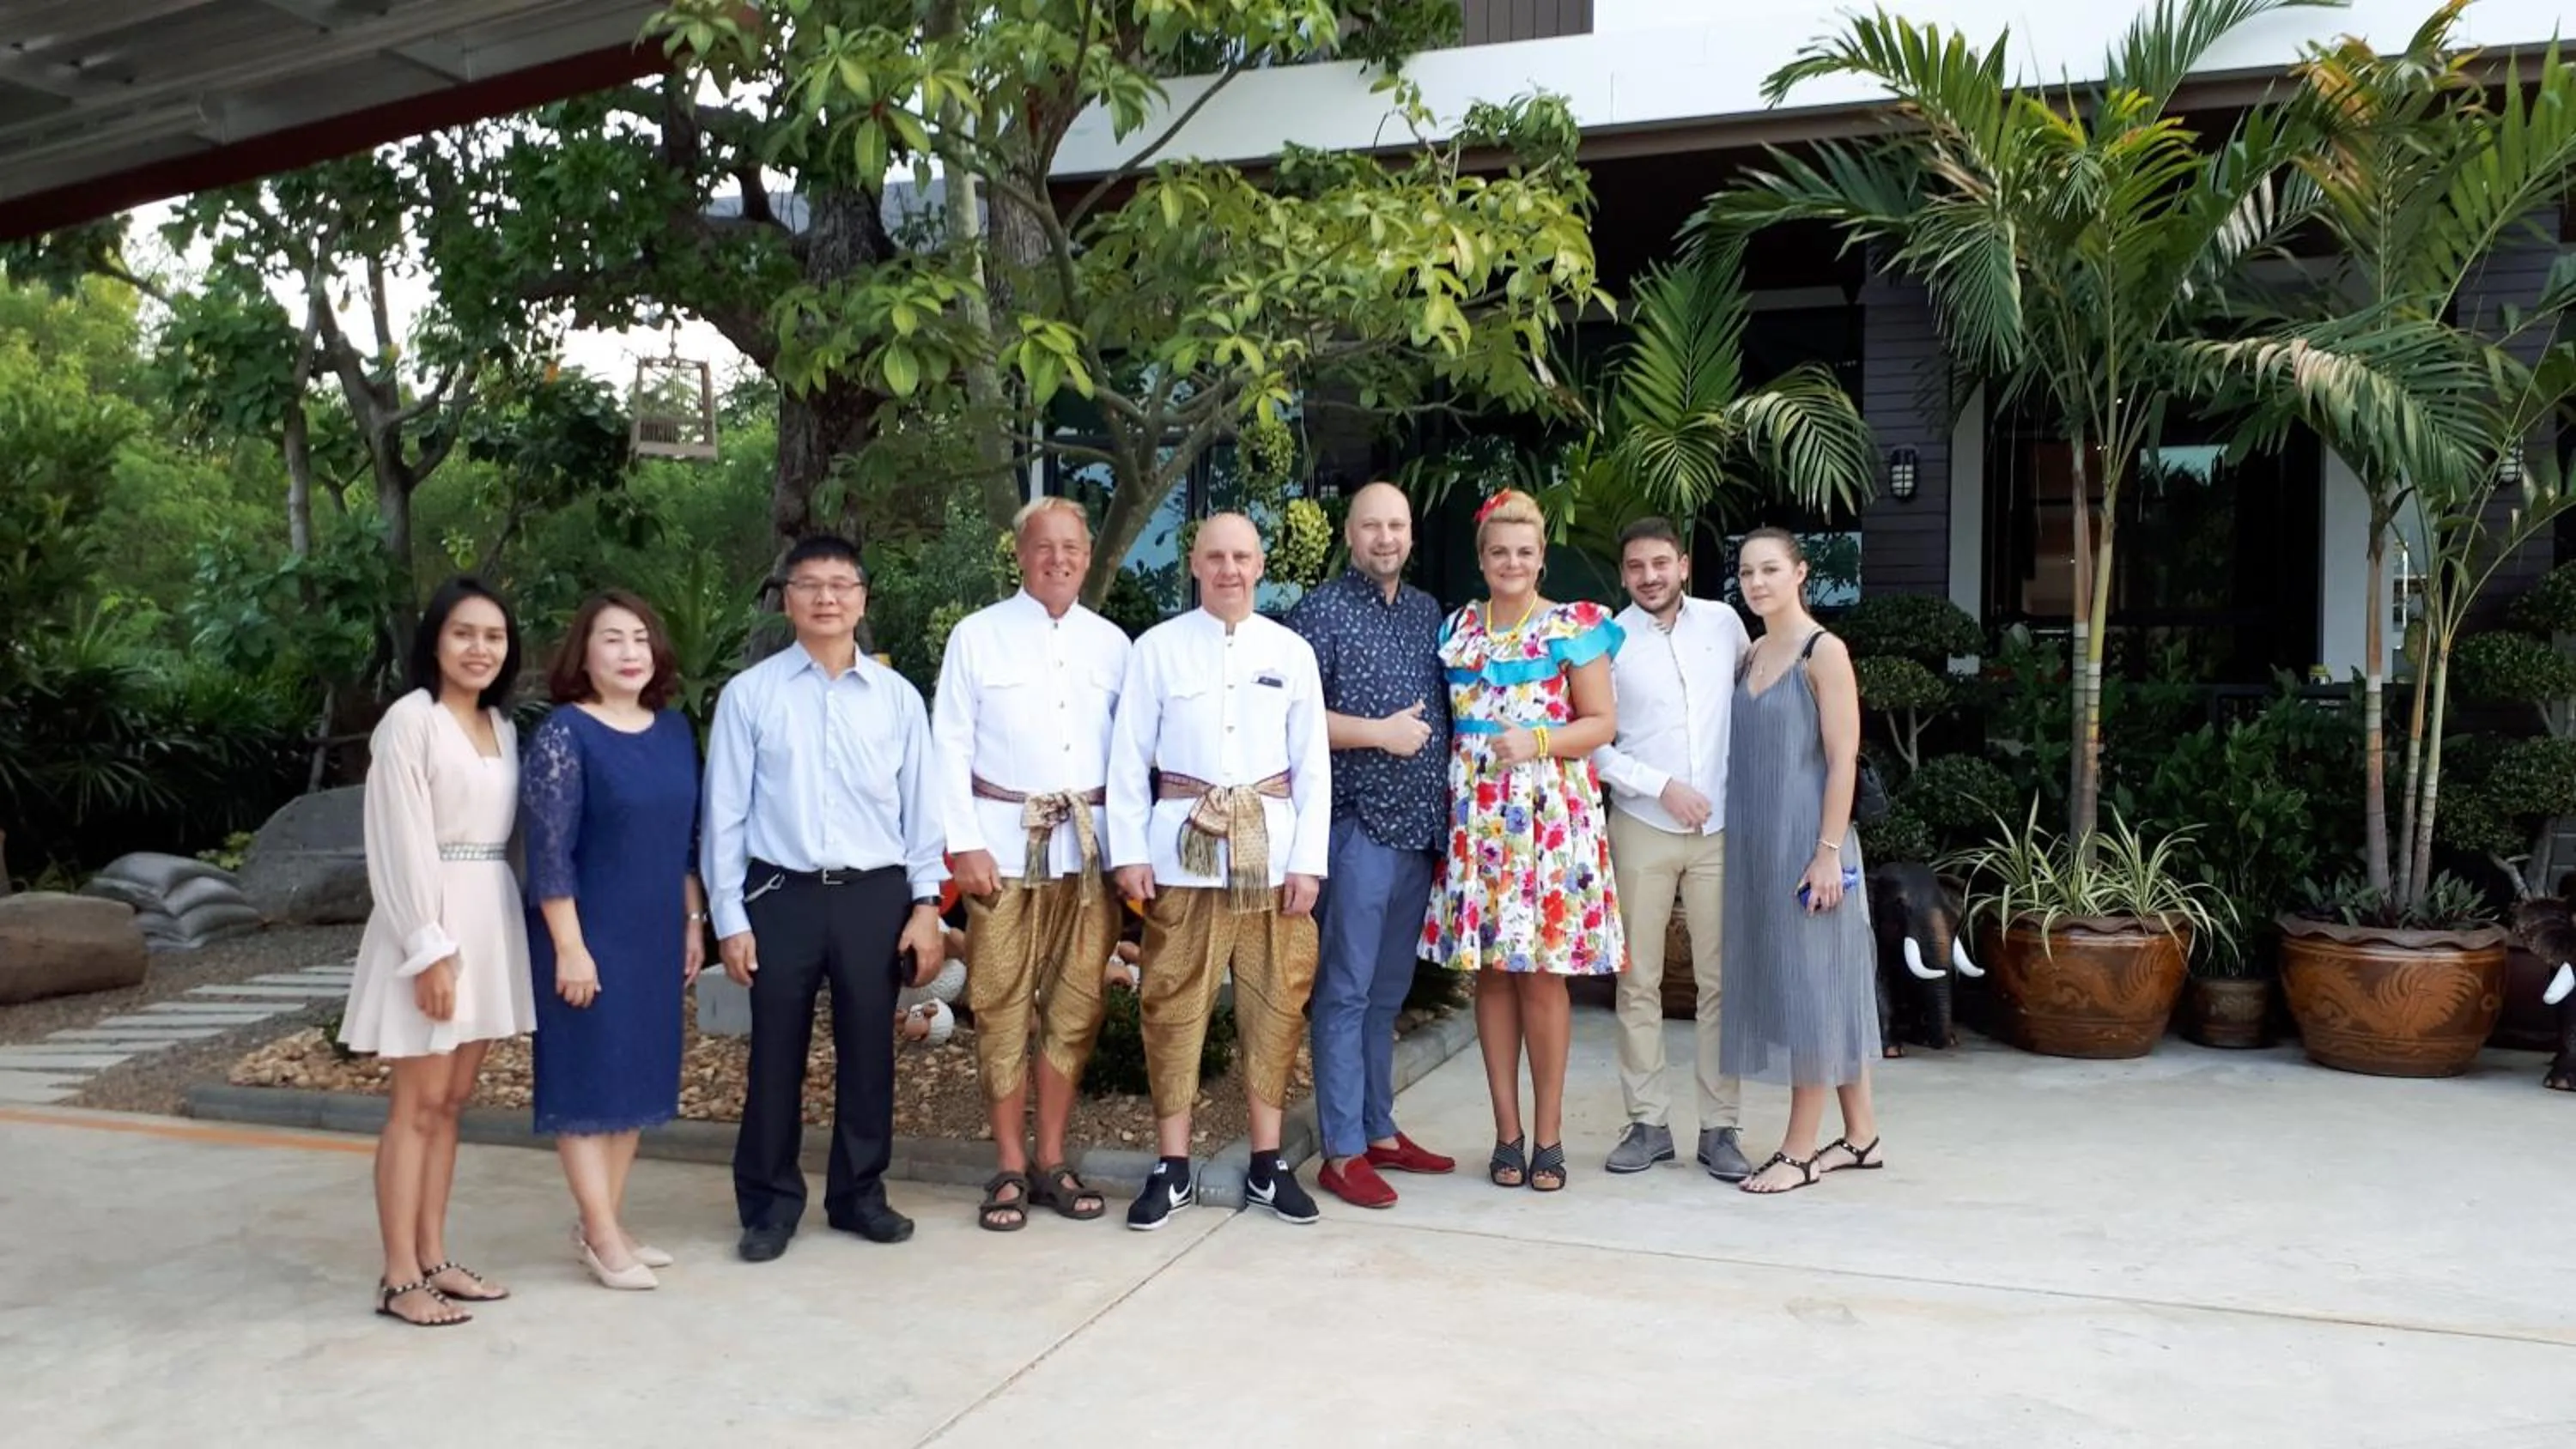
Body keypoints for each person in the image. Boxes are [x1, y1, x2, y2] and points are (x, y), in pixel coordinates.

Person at [701, 537, 949, 1262]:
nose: (827, 598)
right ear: (787, 598)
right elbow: (724, 818)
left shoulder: (898, 699)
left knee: (870, 1052)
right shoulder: (752, 696)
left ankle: (858, 1196)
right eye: (811, 585)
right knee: (774, 1052)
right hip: (782, 894)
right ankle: (770, 1204)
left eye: (842, 585)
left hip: (875, 894)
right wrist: (729, 918)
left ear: (863, 599)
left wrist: (926, 905)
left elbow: (920, 812)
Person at [1107, 512, 1330, 1230]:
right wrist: (1129, 851)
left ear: (1260, 565)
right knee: (1172, 1007)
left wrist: (1310, 863)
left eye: (1241, 556)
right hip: (1184, 854)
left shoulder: (1291, 652)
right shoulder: (1158, 650)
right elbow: (1127, 756)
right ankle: (1170, 1167)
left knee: (1275, 1005)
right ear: (1195, 565)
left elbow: (1312, 766)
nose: (1229, 569)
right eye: (1215, 557)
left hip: (1271, 860)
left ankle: (1268, 1164)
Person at [340, 576, 536, 1327]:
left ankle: (433, 1257)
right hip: (432, 922)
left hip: (488, 911)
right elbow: (397, 840)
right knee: (416, 1105)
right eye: (463, 633)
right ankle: (397, 1277)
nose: (480, 648)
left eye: (493, 635)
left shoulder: (500, 726)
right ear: (434, 641)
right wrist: (428, 949)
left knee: (452, 1104)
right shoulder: (409, 723)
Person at [932, 497, 1131, 1232]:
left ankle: (1051, 1159)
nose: (1058, 558)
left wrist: (1127, 853)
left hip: (1088, 854)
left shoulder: (1114, 645)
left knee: (1076, 1008)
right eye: (1043, 547)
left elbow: (1133, 755)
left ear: (1086, 555)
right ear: (1019, 554)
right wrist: (964, 842)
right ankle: (1009, 1165)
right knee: (1000, 1005)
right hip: (1001, 852)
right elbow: (947, 743)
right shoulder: (977, 637)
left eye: (1071, 547)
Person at [1425, 489, 1624, 1195]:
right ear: (1483, 559)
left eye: (1525, 552)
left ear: (1542, 559)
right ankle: (1505, 1134)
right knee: (1492, 975)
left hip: (1547, 822)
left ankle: (1549, 1137)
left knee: (1542, 976)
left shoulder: (1572, 626)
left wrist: (1538, 740)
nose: (1512, 562)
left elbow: (1600, 724)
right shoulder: (1457, 630)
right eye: (1499, 551)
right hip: (1478, 825)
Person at [519, 591, 706, 1289]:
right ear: (583, 655)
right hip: (587, 932)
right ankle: (599, 1233)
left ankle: (606, 1220)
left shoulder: (672, 731)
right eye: (611, 640)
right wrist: (569, 945)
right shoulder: (565, 735)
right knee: (586, 1080)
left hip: (656, 930)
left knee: (635, 1079)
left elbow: (687, 841)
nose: (630, 653)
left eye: (639, 639)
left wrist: (694, 924)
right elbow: (550, 851)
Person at [1284, 482, 1456, 1210]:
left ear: (1410, 534)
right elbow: (1290, 718)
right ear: (1349, 534)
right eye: (1371, 526)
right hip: (1355, 828)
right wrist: (1379, 733)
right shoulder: (1317, 614)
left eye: (1397, 525)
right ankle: (1342, 1151)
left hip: (1418, 834)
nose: (1386, 537)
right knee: (1346, 993)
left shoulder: (1427, 614)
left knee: (1387, 994)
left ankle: (1380, 1130)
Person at [1719, 527, 1884, 1195]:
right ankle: (1862, 1135)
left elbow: (1844, 758)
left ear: (1800, 573)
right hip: (1760, 844)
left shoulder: (1825, 651)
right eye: (1747, 572)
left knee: (1812, 991)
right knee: (1825, 985)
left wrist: (1826, 854)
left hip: (1814, 847)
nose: (1757, 583)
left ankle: (1798, 1149)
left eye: (1770, 570)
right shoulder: (1752, 652)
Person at [1592, 518, 1754, 1182]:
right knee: (1638, 981)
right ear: (1624, 574)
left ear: (1683, 565)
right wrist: (1661, 787)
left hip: (1720, 830)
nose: (1650, 576)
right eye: (1636, 567)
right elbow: (1593, 741)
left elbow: (1755, 703)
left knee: (1722, 984)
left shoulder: (1725, 625)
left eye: (1661, 563)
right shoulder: (1607, 639)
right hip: (1641, 824)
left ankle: (1721, 1128)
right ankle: (1648, 1123)